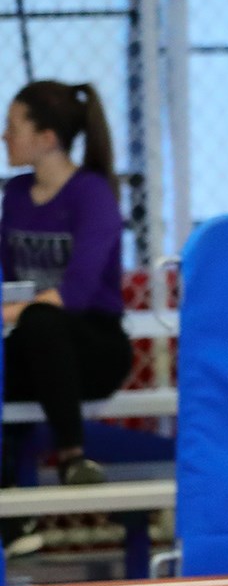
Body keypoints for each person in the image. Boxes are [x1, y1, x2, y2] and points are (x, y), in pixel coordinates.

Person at [1, 81, 132, 499]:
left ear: (47, 138)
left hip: (92, 345)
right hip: (31, 343)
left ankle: (73, 457)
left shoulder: (92, 195)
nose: (5, 137)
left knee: (42, 323)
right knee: (28, 337)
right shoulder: (16, 195)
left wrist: (13, 313)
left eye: (13, 127)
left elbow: (75, 294)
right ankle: (11, 517)